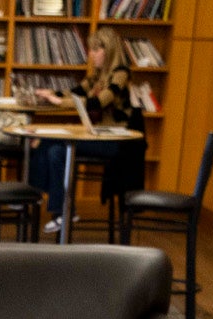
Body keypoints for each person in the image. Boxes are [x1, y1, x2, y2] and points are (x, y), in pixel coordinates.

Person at [27, 27, 141, 233]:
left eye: (96, 50)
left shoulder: (121, 74)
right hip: (97, 135)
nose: (91, 54)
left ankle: (47, 204)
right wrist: (51, 93)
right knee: (49, 146)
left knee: (54, 146)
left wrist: (60, 102)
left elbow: (98, 102)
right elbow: (74, 92)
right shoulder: (96, 76)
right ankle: (55, 208)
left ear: (109, 51)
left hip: (114, 141)